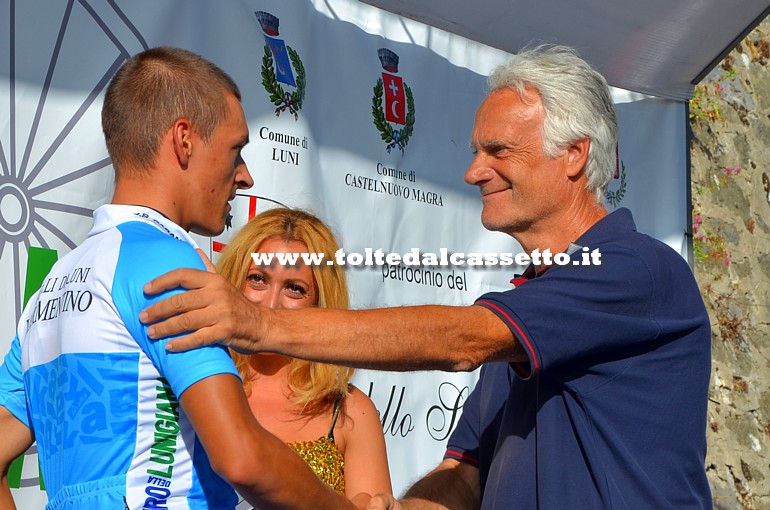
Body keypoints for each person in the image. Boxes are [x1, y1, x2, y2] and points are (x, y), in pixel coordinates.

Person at [140, 45, 713, 509]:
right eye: (474, 150)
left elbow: (463, 340)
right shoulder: (530, 303)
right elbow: (465, 473)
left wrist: (257, 324)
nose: (473, 171)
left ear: (573, 155)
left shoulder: (636, 268)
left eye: (497, 150)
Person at [0, 46, 363, 509]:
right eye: (236, 150)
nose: (246, 176)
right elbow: (242, 458)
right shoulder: (168, 262)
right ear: (184, 140)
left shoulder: (56, 282)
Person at [217, 207, 392, 504]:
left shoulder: (350, 411)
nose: (271, 304)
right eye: (258, 279)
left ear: (321, 302)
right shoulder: (199, 380)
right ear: (234, 279)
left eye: (294, 289)